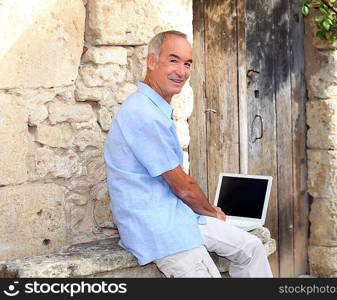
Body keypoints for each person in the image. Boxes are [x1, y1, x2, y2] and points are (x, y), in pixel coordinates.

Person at [104, 30, 273, 278]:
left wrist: (207, 213)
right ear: (152, 62)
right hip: (161, 230)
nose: (182, 72)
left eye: (187, 64)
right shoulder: (143, 113)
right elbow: (182, 186)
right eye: (173, 60)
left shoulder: (155, 108)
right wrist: (211, 211)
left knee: (252, 248)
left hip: (180, 216)